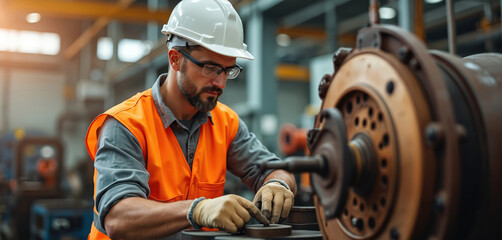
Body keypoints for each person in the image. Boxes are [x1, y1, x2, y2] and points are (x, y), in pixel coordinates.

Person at [84, 0, 296, 239]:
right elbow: (118, 217)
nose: (221, 82)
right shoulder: (126, 124)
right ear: (175, 59)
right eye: (210, 68)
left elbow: (275, 170)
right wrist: (197, 210)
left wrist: (278, 185)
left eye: (228, 70)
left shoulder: (226, 123)